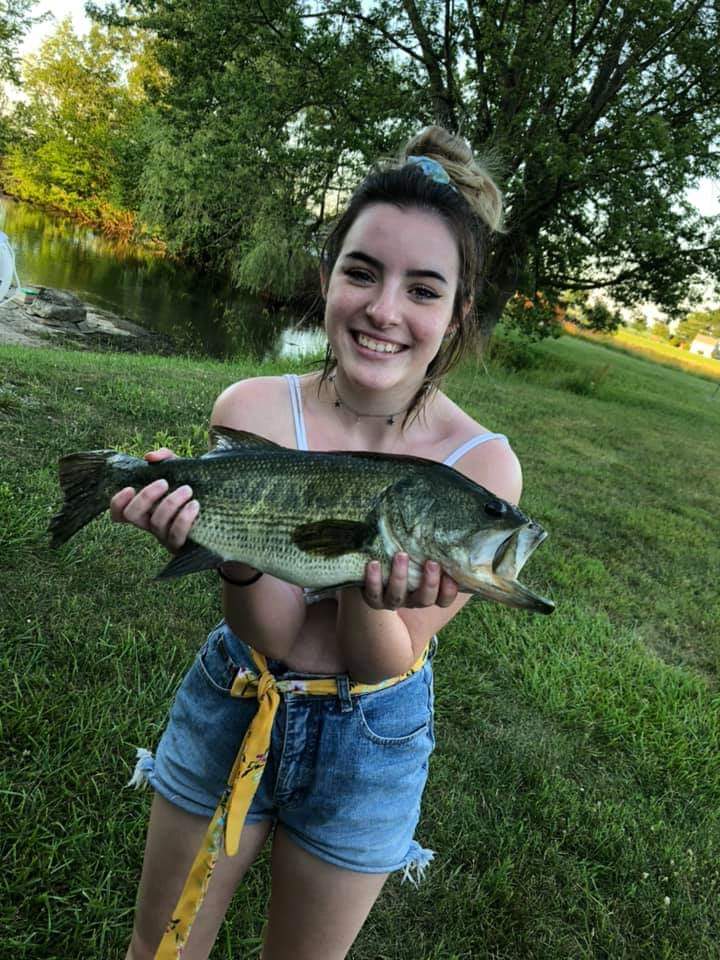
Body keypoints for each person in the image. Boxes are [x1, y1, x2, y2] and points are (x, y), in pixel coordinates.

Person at [112, 125, 522, 960]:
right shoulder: (253, 410)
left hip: (373, 740)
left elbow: (380, 659)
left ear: (458, 313)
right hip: (239, 692)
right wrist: (226, 544)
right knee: (160, 948)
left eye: (423, 288)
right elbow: (272, 631)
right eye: (361, 272)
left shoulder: (480, 469)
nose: (384, 310)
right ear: (327, 276)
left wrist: (367, 590)